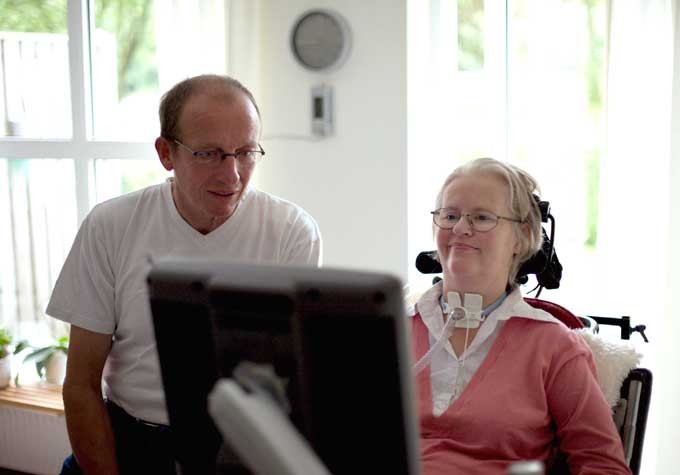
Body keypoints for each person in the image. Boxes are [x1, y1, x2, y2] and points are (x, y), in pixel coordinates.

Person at [46, 74, 322, 475]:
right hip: (129, 438)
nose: (232, 175)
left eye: (245, 152)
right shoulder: (111, 225)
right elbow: (81, 383)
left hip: (239, 446)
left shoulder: (291, 231)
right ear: (166, 153)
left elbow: (293, 386)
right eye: (209, 154)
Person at [410, 158, 630, 475]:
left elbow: (603, 465)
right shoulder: (391, 330)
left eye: (482, 217)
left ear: (522, 236)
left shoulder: (553, 346)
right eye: (450, 215)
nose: (459, 228)